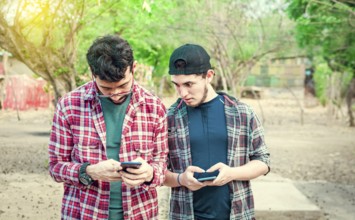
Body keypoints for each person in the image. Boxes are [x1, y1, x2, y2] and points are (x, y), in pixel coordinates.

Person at [48, 34, 168, 219]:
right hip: (83, 213)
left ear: (133, 68)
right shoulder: (69, 106)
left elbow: (162, 164)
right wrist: (88, 171)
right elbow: (55, 167)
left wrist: (151, 173)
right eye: (106, 89)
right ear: (92, 73)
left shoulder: (155, 107)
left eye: (123, 85)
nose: (115, 94)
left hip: (140, 213)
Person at [164, 44, 270, 220]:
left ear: (209, 76)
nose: (182, 92)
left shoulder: (242, 113)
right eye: (177, 85)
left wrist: (232, 173)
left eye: (189, 84)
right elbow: (158, 172)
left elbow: (263, 161)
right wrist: (182, 179)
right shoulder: (170, 117)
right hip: (184, 214)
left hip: (237, 214)